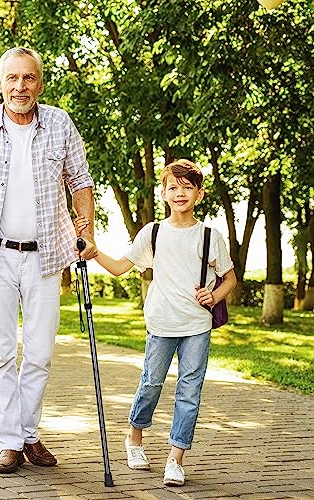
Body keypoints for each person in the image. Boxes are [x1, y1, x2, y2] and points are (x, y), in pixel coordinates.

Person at [0, 47, 97, 474]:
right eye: (12, 78)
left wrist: (87, 234)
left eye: (28, 78)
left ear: (39, 83)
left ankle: (27, 433)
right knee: (1, 352)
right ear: (0, 83)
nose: (20, 87)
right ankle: (11, 440)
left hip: (47, 255)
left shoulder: (60, 123)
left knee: (40, 352)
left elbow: (80, 180)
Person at [76, 159, 237, 486]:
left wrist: (214, 296)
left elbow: (230, 279)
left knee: (190, 391)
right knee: (151, 383)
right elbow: (121, 267)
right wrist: (94, 253)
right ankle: (134, 438)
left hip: (197, 325)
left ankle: (176, 459)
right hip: (161, 323)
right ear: (163, 193)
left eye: (187, 187)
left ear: (199, 194)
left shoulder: (210, 236)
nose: (180, 193)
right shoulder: (153, 233)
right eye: (173, 187)